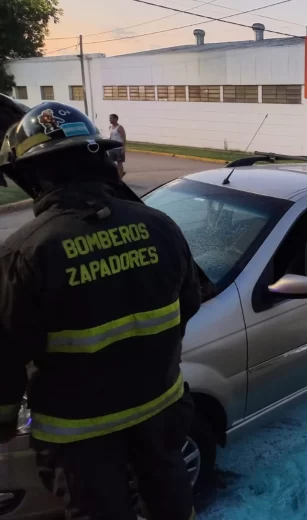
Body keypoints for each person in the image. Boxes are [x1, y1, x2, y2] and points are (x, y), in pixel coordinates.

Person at [0, 102, 201, 520]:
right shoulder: (160, 225)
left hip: (79, 434)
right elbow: (190, 302)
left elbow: (5, 355)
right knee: (170, 500)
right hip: (160, 407)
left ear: (31, 177)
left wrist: (3, 421)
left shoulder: (24, 252)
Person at [109, 113, 127, 178]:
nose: (110, 120)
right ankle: (119, 173)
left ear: (116, 119)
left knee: (119, 163)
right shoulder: (110, 127)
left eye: (111, 118)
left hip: (119, 148)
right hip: (112, 148)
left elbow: (123, 138)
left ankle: (120, 176)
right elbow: (111, 137)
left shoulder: (119, 127)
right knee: (111, 163)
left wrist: (123, 148)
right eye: (109, 118)